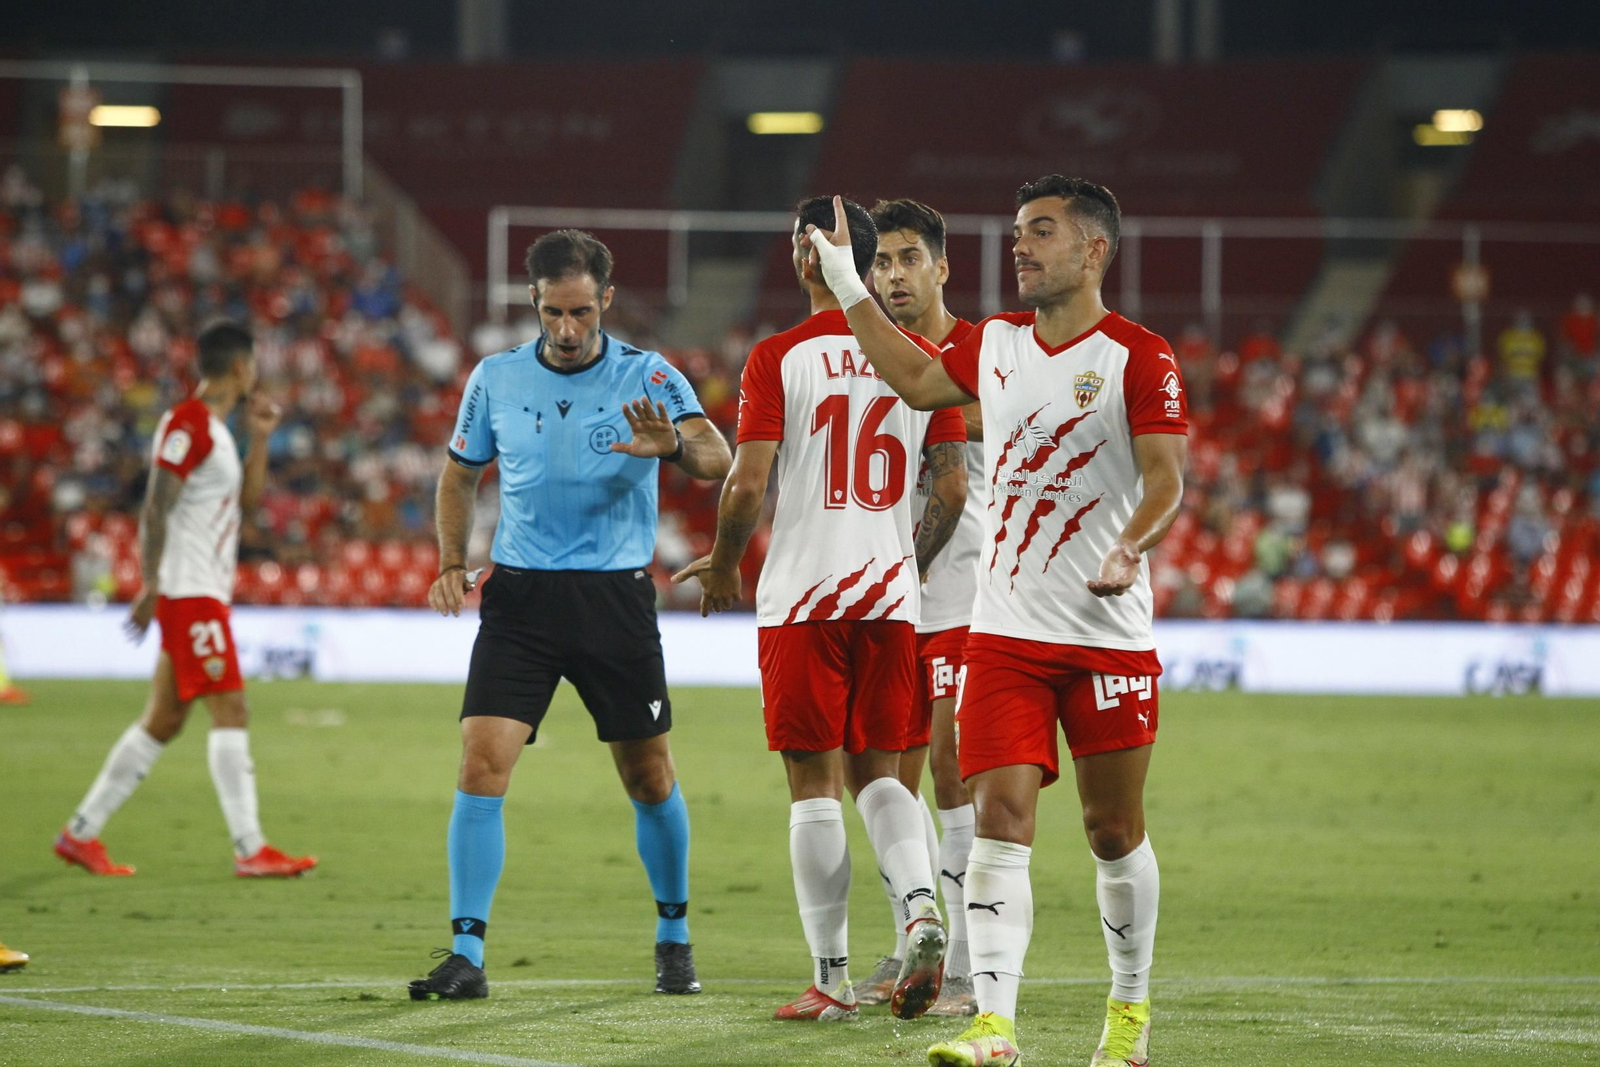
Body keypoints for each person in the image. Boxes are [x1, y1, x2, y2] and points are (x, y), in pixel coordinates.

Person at [802, 176, 1188, 1067]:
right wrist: (849, 282)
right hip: (1005, 636)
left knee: (1112, 831)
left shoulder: (1139, 355)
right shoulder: (997, 343)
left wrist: (1130, 545)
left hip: (1105, 637)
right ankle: (994, 1025)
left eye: (1042, 231)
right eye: (1018, 231)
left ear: (1094, 249)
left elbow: (1167, 477)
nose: (1020, 245)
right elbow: (910, 376)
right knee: (998, 816)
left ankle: (1128, 1013)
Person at [408, 230, 732, 1003]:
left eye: (581, 311)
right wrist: (451, 560)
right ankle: (466, 953)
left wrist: (672, 448)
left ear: (606, 301)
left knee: (648, 774)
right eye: (553, 311)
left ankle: (674, 936)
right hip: (520, 599)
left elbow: (718, 457)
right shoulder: (495, 378)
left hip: (613, 598)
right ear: (534, 301)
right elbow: (458, 475)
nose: (566, 327)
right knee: (480, 762)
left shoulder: (648, 374)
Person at [673, 196, 968, 1023]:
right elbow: (950, 486)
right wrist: (903, 566)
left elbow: (746, 484)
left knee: (814, 786)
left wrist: (725, 564)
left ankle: (832, 979)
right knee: (882, 774)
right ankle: (920, 911)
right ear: (868, 263)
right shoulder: (922, 358)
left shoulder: (777, 357)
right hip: (890, 600)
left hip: (805, 596)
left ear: (802, 255)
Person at [54, 323, 317, 879]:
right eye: (253, 366)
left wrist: (261, 437)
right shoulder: (188, 424)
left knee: (164, 720)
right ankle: (250, 848)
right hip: (189, 592)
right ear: (240, 368)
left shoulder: (218, 432)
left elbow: (245, 504)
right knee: (232, 709)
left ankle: (80, 833)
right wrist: (151, 584)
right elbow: (155, 505)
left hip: (201, 590)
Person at [852, 198, 983, 1018]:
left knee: (950, 767)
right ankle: (915, 947)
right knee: (889, 780)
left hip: (967, 595)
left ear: (942, 266)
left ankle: (966, 967)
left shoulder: (978, 354)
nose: (894, 275)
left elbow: (961, 478)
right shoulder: (869, 358)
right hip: (892, 605)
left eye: (909, 259)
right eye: (881, 262)